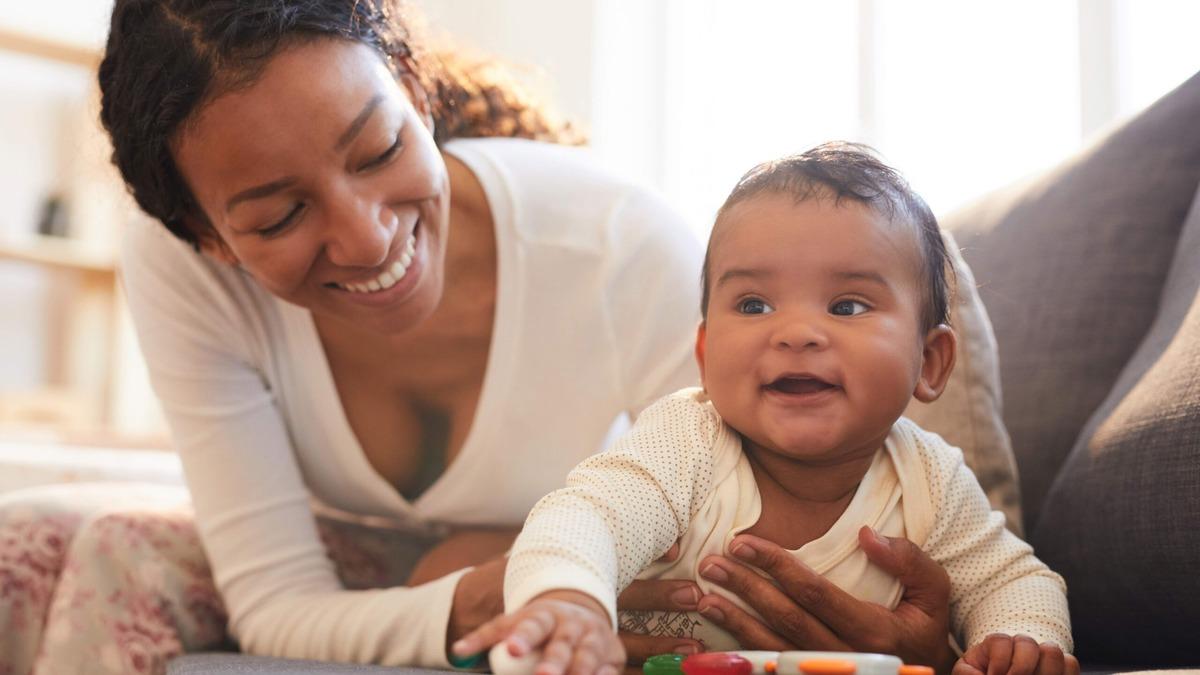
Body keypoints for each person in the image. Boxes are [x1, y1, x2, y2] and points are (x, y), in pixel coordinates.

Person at [0, 2, 984, 673]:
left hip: (613, 562)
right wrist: (486, 583)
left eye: (379, 150)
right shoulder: (177, 262)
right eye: (275, 217)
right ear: (209, 238)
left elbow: (762, 543)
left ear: (418, 99)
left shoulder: (613, 246)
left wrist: (546, 573)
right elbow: (275, 599)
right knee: (42, 538)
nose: (366, 234)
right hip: (460, 572)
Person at [454, 144, 1079, 675]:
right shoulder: (687, 442)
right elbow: (586, 518)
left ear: (931, 362)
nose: (796, 333)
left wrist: (1021, 640)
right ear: (704, 352)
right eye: (754, 305)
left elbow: (1013, 581)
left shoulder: (932, 481)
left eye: (847, 305)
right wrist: (569, 600)